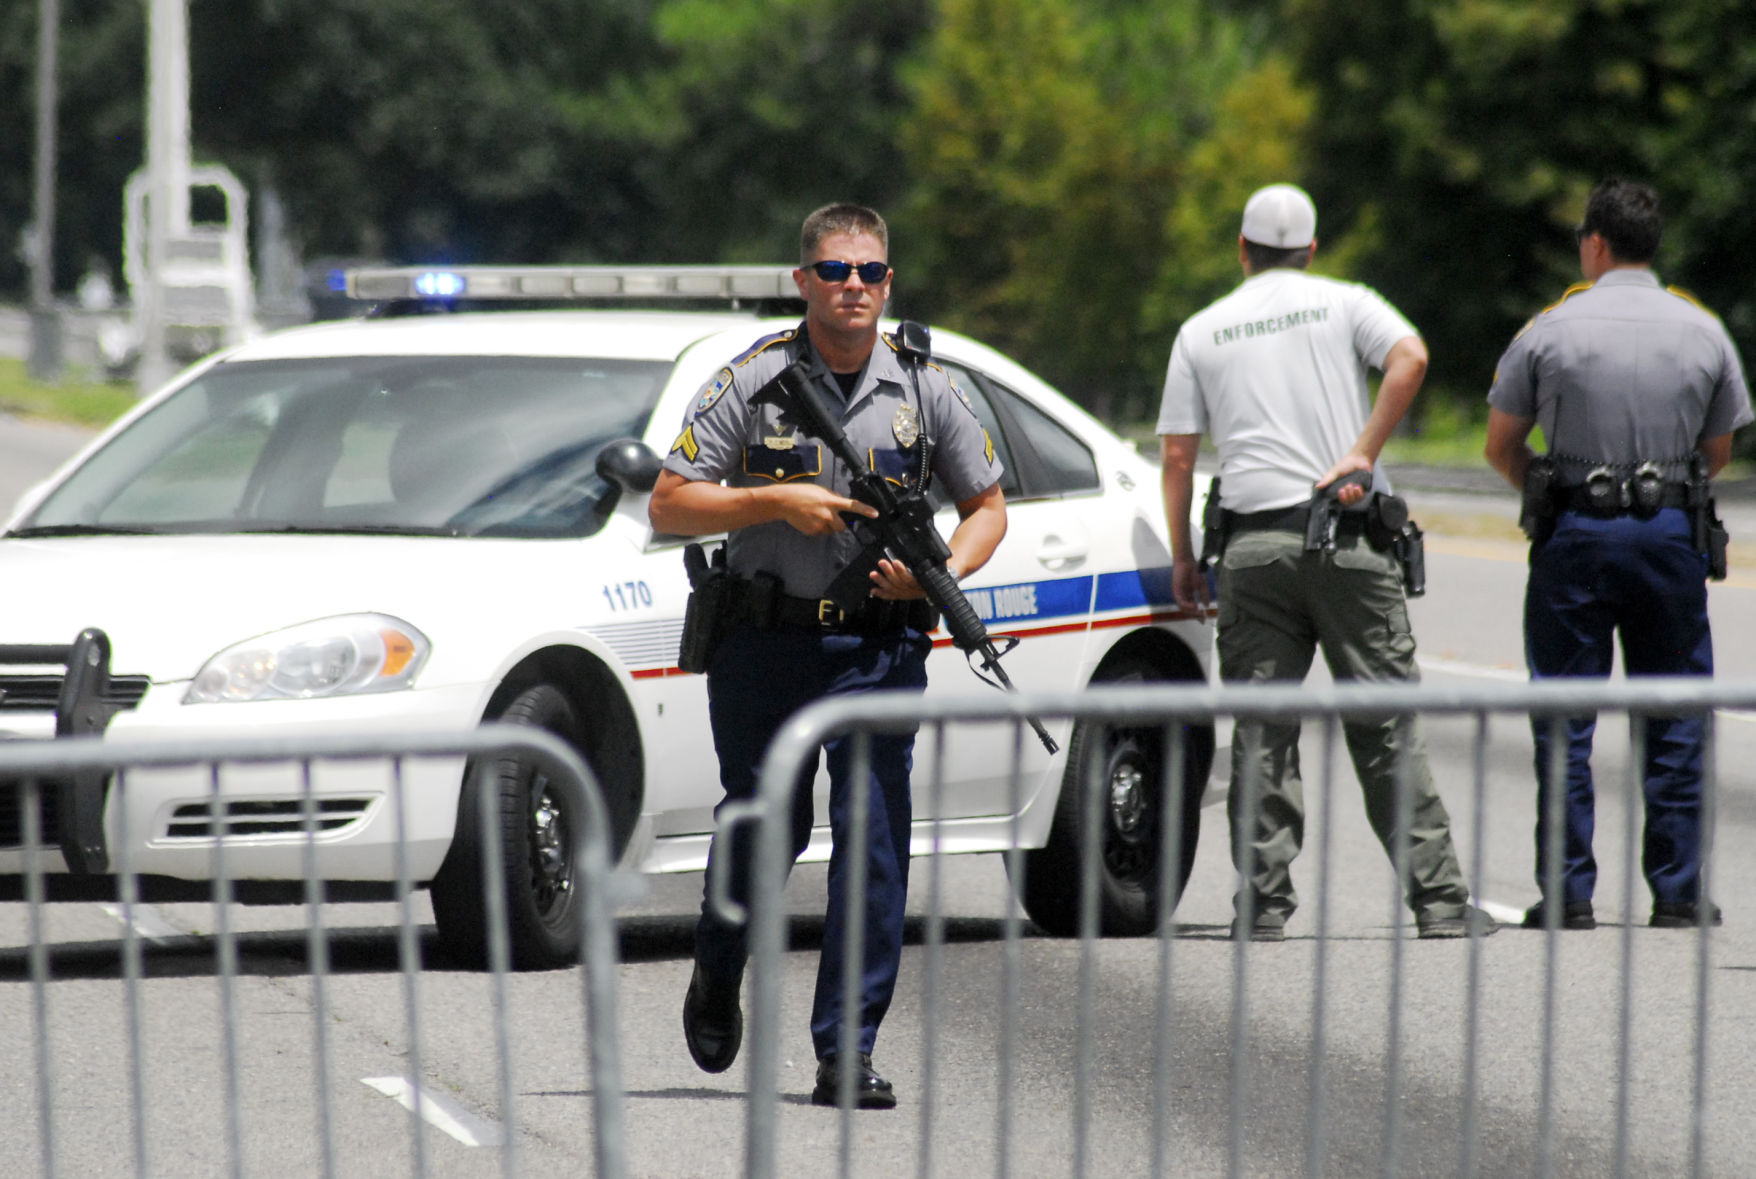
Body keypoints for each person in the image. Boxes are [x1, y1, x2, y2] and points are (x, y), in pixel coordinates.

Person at [649, 203, 1006, 1107]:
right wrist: (776, 503)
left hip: (876, 648)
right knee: (767, 828)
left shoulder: (927, 387)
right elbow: (669, 503)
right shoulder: (753, 381)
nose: (855, 288)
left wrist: (936, 580)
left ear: (890, 282)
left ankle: (846, 1047)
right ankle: (717, 963)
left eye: (872, 273)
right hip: (763, 642)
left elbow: (988, 507)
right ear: (803, 279)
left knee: (873, 841)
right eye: (837, 271)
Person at [1157, 182, 1493, 941]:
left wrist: (1184, 553)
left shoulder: (1202, 329)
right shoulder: (1346, 302)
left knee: (1261, 732)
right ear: (1311, 251)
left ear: (1242, 251)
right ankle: (1439, 903)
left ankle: (1264, 906)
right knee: (1384, 727)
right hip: (1347, 538)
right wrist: (1361, 452)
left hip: (1251, 548)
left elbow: (1178, 455)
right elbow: (1411, 356)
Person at [1484, 179, 1753, 932]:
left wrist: (1549, 486)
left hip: (1575, 534)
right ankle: (1678, 891)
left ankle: (1568, 895)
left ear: (1596, 244)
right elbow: (1719, 450)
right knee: (1673, 712)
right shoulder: (1704, 332)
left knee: (1565, 716)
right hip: (1670, 535)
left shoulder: (1548, 329)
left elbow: (1501, 444)